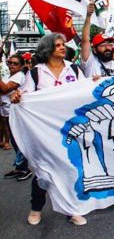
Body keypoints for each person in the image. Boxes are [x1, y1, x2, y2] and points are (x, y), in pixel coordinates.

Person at [12, 33, 87, 226]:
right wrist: (18, 97)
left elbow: (85, 93)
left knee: (70, 169)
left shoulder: (75, 69)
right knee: (43, 171)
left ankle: (71, 210)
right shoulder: (36, 73)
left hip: (70, 128)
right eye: (58, 45)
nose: (63, 48)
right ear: (48, 49)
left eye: (63, 45)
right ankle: (36, 209)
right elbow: (26, 98)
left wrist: (94, 81)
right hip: (44, 131)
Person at [1, 54, 31, 181]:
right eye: (10, 63)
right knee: (14, 141)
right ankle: (19, 167)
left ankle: (25, 169)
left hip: (16, 114)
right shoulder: (8, 76)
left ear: (22, 65)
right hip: (7, 112)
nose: (11, 65)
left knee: (19, 141)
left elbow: (5, 89)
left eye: (15, 63)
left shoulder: (20, 76)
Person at [81, 3, 114, 78]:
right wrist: (88, 16)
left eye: (109, 44)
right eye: (103, 45)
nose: (107, 48)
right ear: (95, 50)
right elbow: (85, 40)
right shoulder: (90, 62)